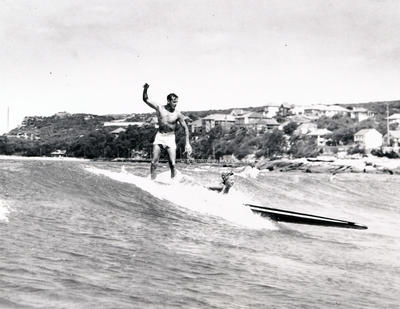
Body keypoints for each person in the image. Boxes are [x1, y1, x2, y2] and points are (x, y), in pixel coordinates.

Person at [142, 83, 192, 179]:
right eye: (174, 102)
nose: (175, 104)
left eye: (176, 102)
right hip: (160, 136)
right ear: (168, 101)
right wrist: (145, 89)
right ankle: (152, 182)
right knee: (154, 162)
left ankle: (173, 183)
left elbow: (185, 128)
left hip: (170, 137)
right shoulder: (160, 108)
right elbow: (146, 99)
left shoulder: (178, 114)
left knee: (172, 164)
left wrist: (187, 143)